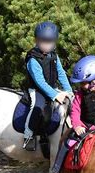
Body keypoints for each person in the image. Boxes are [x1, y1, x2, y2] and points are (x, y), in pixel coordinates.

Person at [22, 21, 72, 152]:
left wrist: (68, 91)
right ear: (36, 41)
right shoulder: (33, 59)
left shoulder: (54, 56)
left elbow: (61, 73)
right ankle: (29, 134)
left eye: (49, 42)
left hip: (51, 87)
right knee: (37, 107)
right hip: (37, 90)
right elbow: (40, 82)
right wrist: (55, 95)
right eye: (43, 41)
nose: (46, 44)